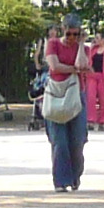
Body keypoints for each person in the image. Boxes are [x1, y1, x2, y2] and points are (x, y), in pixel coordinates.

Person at [38, 17, 90, 189]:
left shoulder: (83, 47)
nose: (72, 38)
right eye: (69, 33)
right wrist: (74, 69)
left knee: (78, 140)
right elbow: (54, 66)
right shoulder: (53, 44)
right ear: (63, 29)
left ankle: (75, 177)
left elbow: (82, 65)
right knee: (59, 141)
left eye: (76, 34)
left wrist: (81, 44)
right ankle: (60, 181)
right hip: (56, 92)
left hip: (77, 94)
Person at [83, 29, 104, 128]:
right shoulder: (93, 50)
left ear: (103, 40)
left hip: (103, 76)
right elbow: (88, 60)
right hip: (92, 75)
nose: (95, 40)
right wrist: (91, 47)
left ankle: (102, 121)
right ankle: (91, 120)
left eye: (98, 38)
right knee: (90, 98)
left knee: (103, 99)